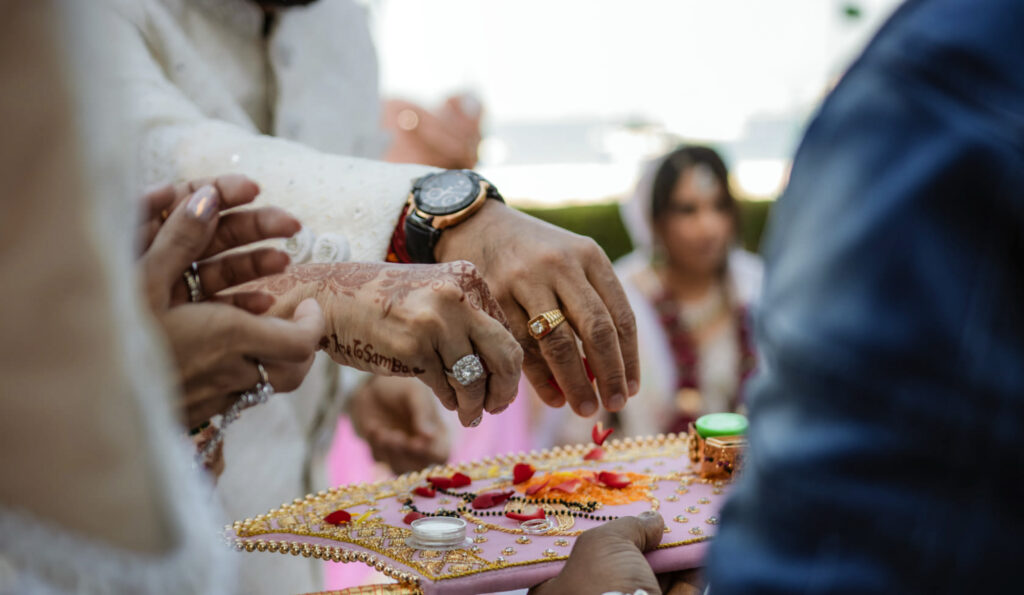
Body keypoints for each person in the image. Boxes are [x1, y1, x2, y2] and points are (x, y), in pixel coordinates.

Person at [548, 146, 761, 445]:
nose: (709, 226)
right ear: (655, 220)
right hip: (646, 481)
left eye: (719, 206)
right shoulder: (619, 295)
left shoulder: (756, 286)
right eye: (688, 210)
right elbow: (580, 430)